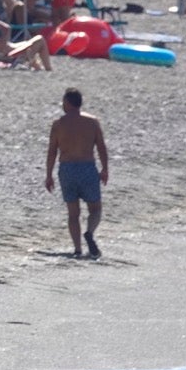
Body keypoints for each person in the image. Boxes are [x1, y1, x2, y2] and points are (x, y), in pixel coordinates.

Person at [45, 87, 109, 260]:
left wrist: (49, 175)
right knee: (95, 208)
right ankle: (89, 232)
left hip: (67, 169)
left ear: (67, 102)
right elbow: (101, 147)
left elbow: (52, 151)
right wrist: (105, 169)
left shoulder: (58, 124)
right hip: (87, 167)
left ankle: (77, 249)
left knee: (73, 213)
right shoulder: (92, 122)